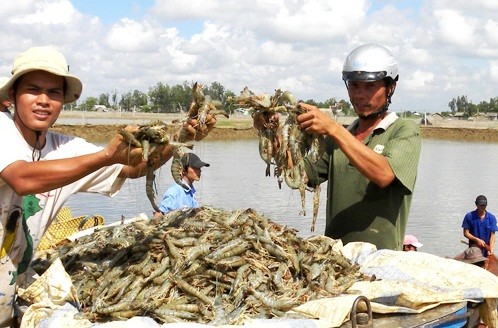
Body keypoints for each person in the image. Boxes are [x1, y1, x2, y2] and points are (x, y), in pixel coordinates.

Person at [0, 46, 214, 326]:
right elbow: (22, 178)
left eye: (54, 92)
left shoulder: (67, 148)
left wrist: (182, 136)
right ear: (13, 94)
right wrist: (105, 156)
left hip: (11, 287)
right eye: (33, 89)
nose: (43, 100)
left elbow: (133, 168)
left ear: (63, 100)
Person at [254, 43, 421, 250]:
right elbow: (297, 175)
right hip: (335, 257)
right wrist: (273, 134)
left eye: (370, 86)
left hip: (381, 260)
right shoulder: (340, 138)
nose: (360, 94)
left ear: (391, 87)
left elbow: (384, 174)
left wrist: (333, 128)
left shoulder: (405, 130)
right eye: (354, 85)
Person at [153, 152, 210, 218]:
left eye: (199, 168)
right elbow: (158, 215)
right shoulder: (175, 191)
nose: (199, 171)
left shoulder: (191, 192)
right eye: (195, 167)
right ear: (183, 170)